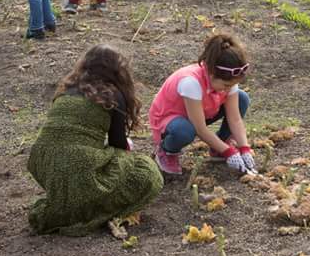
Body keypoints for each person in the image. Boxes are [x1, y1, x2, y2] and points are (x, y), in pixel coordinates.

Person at [26, 45, 164, 235]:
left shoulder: (66, 91)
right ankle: (93, 210)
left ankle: (71, 201)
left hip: (42, 161)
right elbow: (118, 144)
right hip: (78, 161)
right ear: (118, 72)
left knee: (79, 165)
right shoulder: (112, 95)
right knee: (147, 172)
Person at [149, 34, 258, 177]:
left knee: (242, 98)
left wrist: (244, 148)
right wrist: (229, 152)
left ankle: (220, 144)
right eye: (225, 85)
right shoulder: (191, 83)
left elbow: (235, 119)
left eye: (231, 85)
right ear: (211, 74)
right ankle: (167, 150)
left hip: (202, 111)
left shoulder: (228, 77)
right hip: (172, 119)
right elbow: (200, 129)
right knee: (184, 131)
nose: (227, 89)